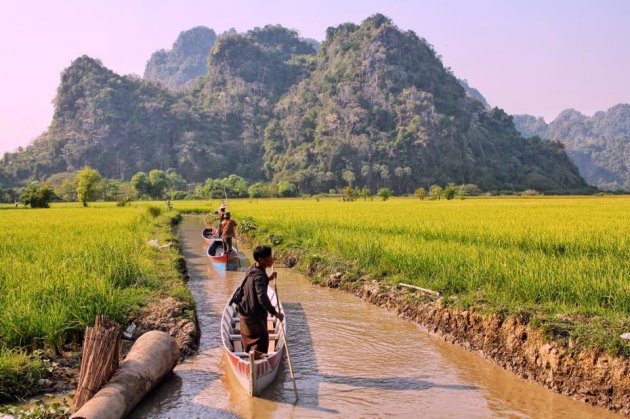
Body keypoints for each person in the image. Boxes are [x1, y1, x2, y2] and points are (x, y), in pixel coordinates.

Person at [236, 245, 284, 358]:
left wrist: (268, 279)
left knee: (249, 340)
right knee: (261, 339)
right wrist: (275, 313)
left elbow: (256, 285)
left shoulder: (252, 268)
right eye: (269, 257)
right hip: (254, 315)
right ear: (261, 260)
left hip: (244, 311)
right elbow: (262, 297)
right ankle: (256, 362)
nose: (272, 259)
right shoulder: (260, 276)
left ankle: (250, 360)